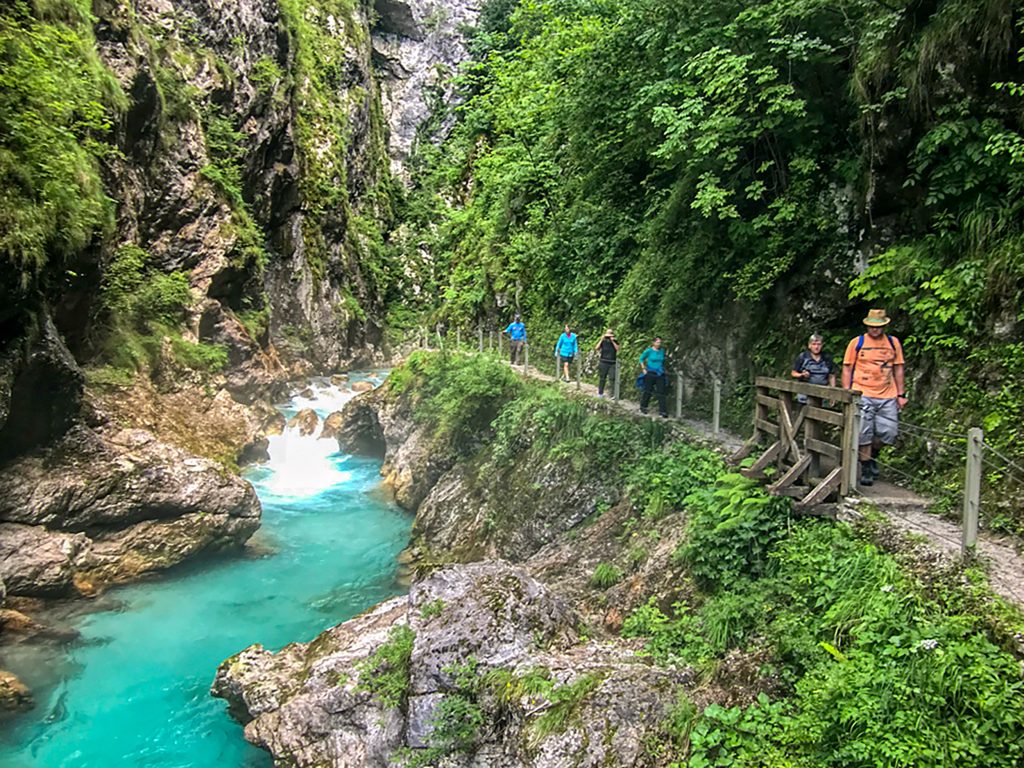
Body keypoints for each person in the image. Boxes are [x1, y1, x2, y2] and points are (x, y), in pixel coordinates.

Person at [842, 309, 907, 487]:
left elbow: (898, 368)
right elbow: (847, 368)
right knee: (863, 433)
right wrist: (846, 392)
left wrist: (901, 394)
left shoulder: (893, 343)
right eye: (871, 326)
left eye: (878, 327)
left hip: (888, 393)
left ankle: (872, 456)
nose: (874, 330)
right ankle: (867, 468)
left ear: (884, 326)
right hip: (862, 392)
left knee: (889, 433)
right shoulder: (857, 343)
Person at [791, 333, 836, 404]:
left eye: (819, 344)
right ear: (809, 345)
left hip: (822, 394)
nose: (816, 347)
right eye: (814, 344)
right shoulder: (803, 357)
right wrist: (802, 375)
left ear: (822, 345)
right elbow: (793, 373)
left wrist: (833, 394)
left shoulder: (827, 358)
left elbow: (831, 376)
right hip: (805, 394)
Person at [639, 337, 668, 417]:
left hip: (659, 373)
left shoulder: (662, 351)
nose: (659, 344)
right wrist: (643, 368)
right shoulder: (649, 351)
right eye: (658, 342)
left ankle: (663, 411)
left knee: (661, 391)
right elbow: (641, 359)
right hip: (650, 372)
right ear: (653, 343)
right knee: (648, 390)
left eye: (660, 342)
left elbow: (663, 360)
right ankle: (643, 406)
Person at [593, 328, 619, 397]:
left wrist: (613, 341)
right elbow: (596, 348)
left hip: (612, 362)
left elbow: (617, 349)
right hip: (603, 361)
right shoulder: (603, 341)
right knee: (602, 378)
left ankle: (613, 394)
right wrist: (601, 339)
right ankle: (600, 393)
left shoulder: (615, 341)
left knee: (612, 378)